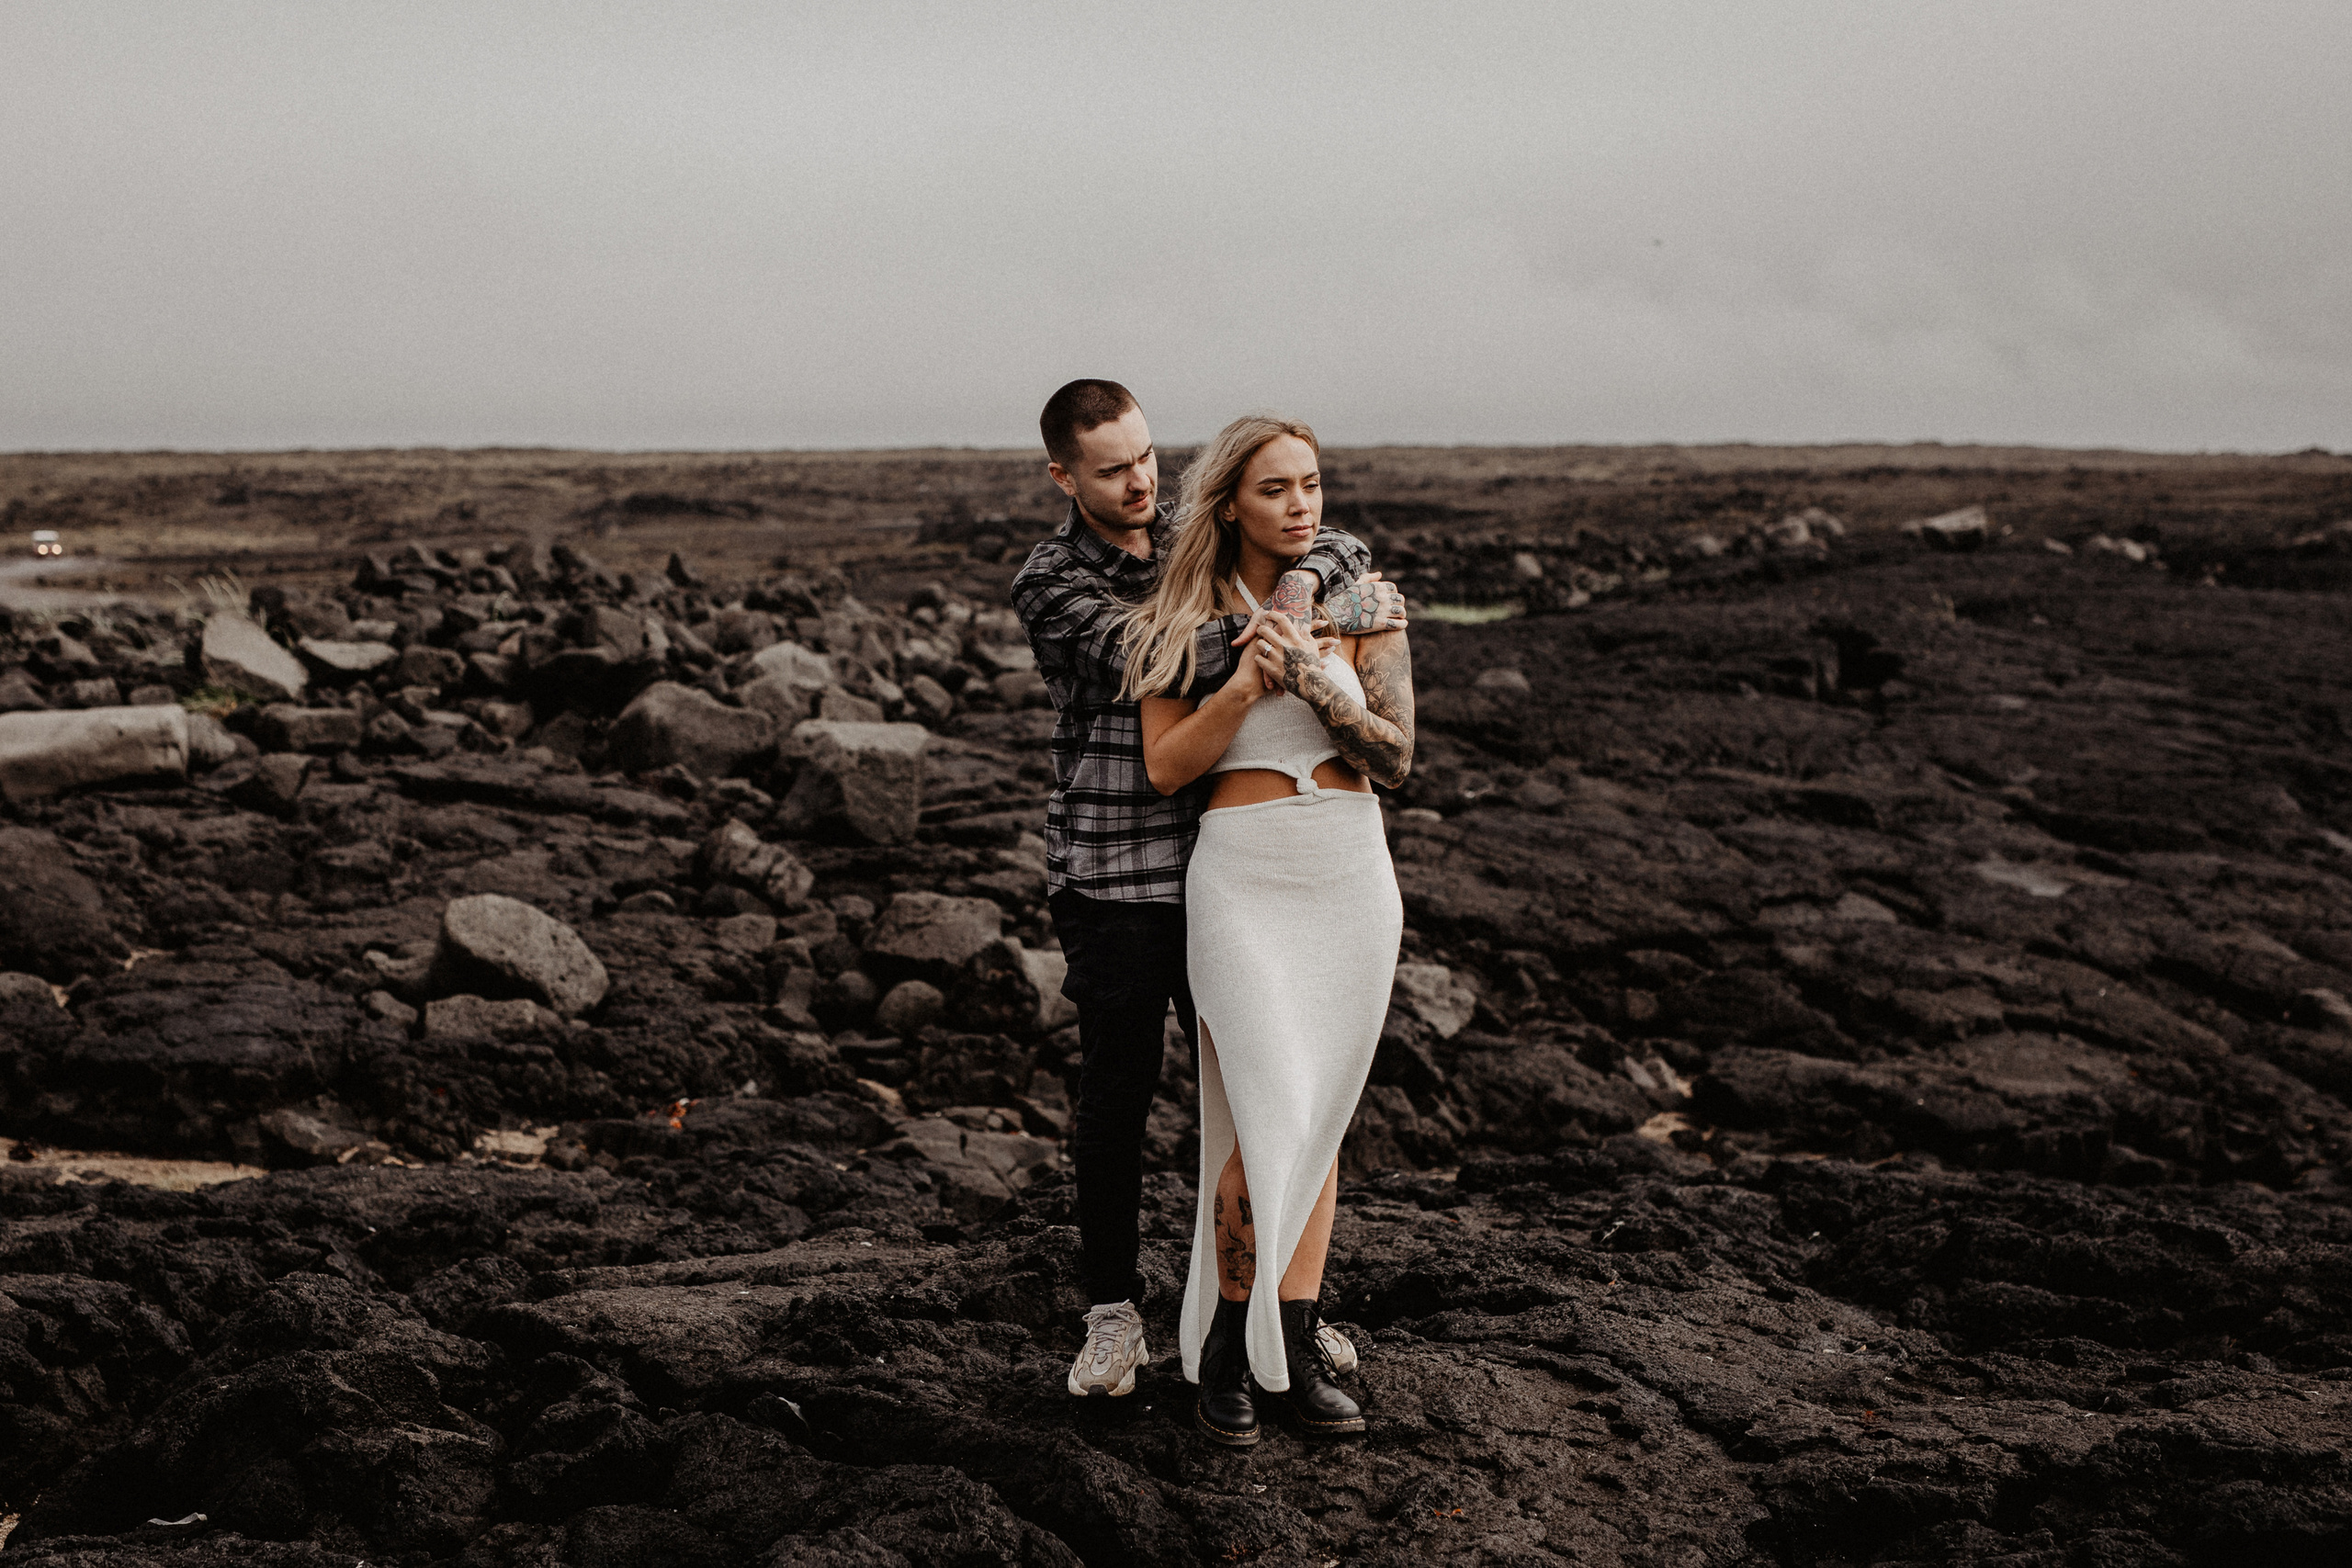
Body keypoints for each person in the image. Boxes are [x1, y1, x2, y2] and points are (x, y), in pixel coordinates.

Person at [1010, 380, 1406, 1402]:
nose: (1141, 482)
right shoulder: (1052, 581)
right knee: (1122, 1088)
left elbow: (1334, 542)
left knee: (1266, 1093)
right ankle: (1112, 1316)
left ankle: (1274, 1317)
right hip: (1118, 868)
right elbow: (1152, 653)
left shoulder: (1192, 534)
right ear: (1063, 477)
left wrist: (1305, 582)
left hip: (1229, 857)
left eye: (1147, 458)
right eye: (1112, 470)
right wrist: (1296, 622)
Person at [1123, 412, 1413, 1446]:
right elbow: (1166, 767)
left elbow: (1395, 756)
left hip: (1348, 872)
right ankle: (1224, 1353)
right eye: (1276, 489)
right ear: (1230, 505)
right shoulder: (1175, 621)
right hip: (1243, 878)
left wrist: (1322, 686)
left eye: (1312, 485)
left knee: (1318, 1117)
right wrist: (1247, 680)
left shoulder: (1365, 603)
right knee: (1262, 1117)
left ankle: (1290, 1346)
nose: (1301, 506)